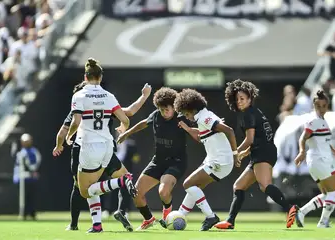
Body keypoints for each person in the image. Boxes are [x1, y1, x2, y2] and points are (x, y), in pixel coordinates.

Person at [53, 81, 151, 232]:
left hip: (84, 149)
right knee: (124, 177)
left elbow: (63, 130)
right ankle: (112, 215)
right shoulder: (106, 103)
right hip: (106, 148)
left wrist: (59, 145)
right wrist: (144, 96)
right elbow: (129, 112)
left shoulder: (77, 109)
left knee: (82, 189)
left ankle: (75, 223)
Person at [64, 58, 137, 233]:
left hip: (88, 145)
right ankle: (97, 225)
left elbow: (76, 121)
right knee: (93, 186)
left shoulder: (79, 95)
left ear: (85, 76)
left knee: (85, 191)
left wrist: (69, 135)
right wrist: (123, 128)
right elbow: (125, 119)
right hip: (107, 145)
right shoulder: (109, 96)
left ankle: (121, 180)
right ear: (100, 76)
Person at [214, 80, 298, 230]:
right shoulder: (254, 112)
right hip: (262, 151)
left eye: (242, 99)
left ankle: (289, 208)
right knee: (238, 186)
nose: (239, 102)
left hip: (263, 153)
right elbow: (257, 139)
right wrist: (243, 154)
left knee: (265, 185)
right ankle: (230, 221)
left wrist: (235, 152)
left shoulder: (248, 114)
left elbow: (250, 139)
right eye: (237, 99)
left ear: (250, 99)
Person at [117, 87, 197, 230]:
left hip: (176, 162)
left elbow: (198, 129)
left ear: (174, 107)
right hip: (158, 161)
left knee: (163, 192)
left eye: (168, 109)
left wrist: (210, 127)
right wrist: (126, 133)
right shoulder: (155, 116)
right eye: (162, 109)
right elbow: (142, 123)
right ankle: (148, 219)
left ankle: (167, 214)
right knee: (136, 193)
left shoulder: (181, 118)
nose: (165, 112)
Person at [173, 88, 238, 231]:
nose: (186, 116)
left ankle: (210, 217)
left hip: (219, 161)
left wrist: (235, 153)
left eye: (185, 113)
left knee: (188, 184)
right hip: (217, 161)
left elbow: (229, 130)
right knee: (195, 188)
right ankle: (180, 215)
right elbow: (201, 136)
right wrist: (187, 128)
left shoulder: (204, 118)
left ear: (191, 108)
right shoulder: (202, 117)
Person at [294, 90, 335, 228]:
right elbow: (302, 138)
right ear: (314, 106)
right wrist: (302, 151)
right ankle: (323, 223)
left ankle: (301, 212)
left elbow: (325, 142)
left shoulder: (322, 121)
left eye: (324, 106)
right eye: (318, 106)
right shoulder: (314, 121)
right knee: (334, 193)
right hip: (320, 160)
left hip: (316, 161)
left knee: (326, 194)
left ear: (327, 106)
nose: (321, 109)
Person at [13, 133, 41, 220]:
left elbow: (37, 161)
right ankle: (23, 213)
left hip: (30, 178)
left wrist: (32, 170)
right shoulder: (20, 152)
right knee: (22, 197)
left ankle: (32, 213)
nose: (26, 143)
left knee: (31, 197)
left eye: (27, 141)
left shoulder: (34, 151)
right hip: (20, 178)